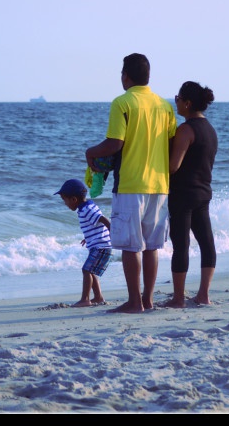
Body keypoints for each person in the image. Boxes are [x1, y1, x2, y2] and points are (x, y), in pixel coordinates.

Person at [85, 53, 177, 313]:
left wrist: (90, 152)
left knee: (130, 246)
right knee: (151, 247)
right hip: (159, 185)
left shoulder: (122, 103)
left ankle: (134, 301)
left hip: (130, 185)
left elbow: (115, 143)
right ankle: (147, 299)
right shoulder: (165, 106)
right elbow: (170, 144)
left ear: (125, 76)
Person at [165, 81, 218, 308]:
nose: (175, 101)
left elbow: (173, 166)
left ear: (187, 103)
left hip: (183, 194)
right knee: (207, 243)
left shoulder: (186, 129)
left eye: (177, 98)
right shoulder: (210, 129)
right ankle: (203, 295)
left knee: (181, 245)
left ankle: (178, 298)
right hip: (203, 192)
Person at [54, 178, 112, 307]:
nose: (65, 203)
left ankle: (85, 299)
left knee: (86, 270)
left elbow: (102, 219)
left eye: (64, 200)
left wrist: (112, 231)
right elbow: (95, 223)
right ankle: (98, 297)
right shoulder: (86, 208)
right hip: (98, 245)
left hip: (101, 246)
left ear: (74, 199)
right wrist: (88, 237)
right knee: (90, 271)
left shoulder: (87, 209)